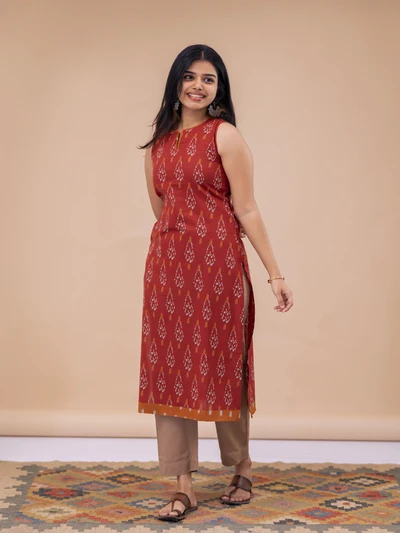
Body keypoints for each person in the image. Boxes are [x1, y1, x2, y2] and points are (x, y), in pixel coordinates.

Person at [138, 44, 293, 522]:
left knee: (224, 364)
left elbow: (246, 208)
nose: (198, 86)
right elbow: (162, 211)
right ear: (175, 83)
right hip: (167, 272)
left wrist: (274, 273)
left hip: (219, 269)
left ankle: (241, 468)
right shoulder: (157, 147)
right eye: (189, 77)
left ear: (219, 89)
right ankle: (182, 486)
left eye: (209, 79)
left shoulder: (224, 135)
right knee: (170, 371)